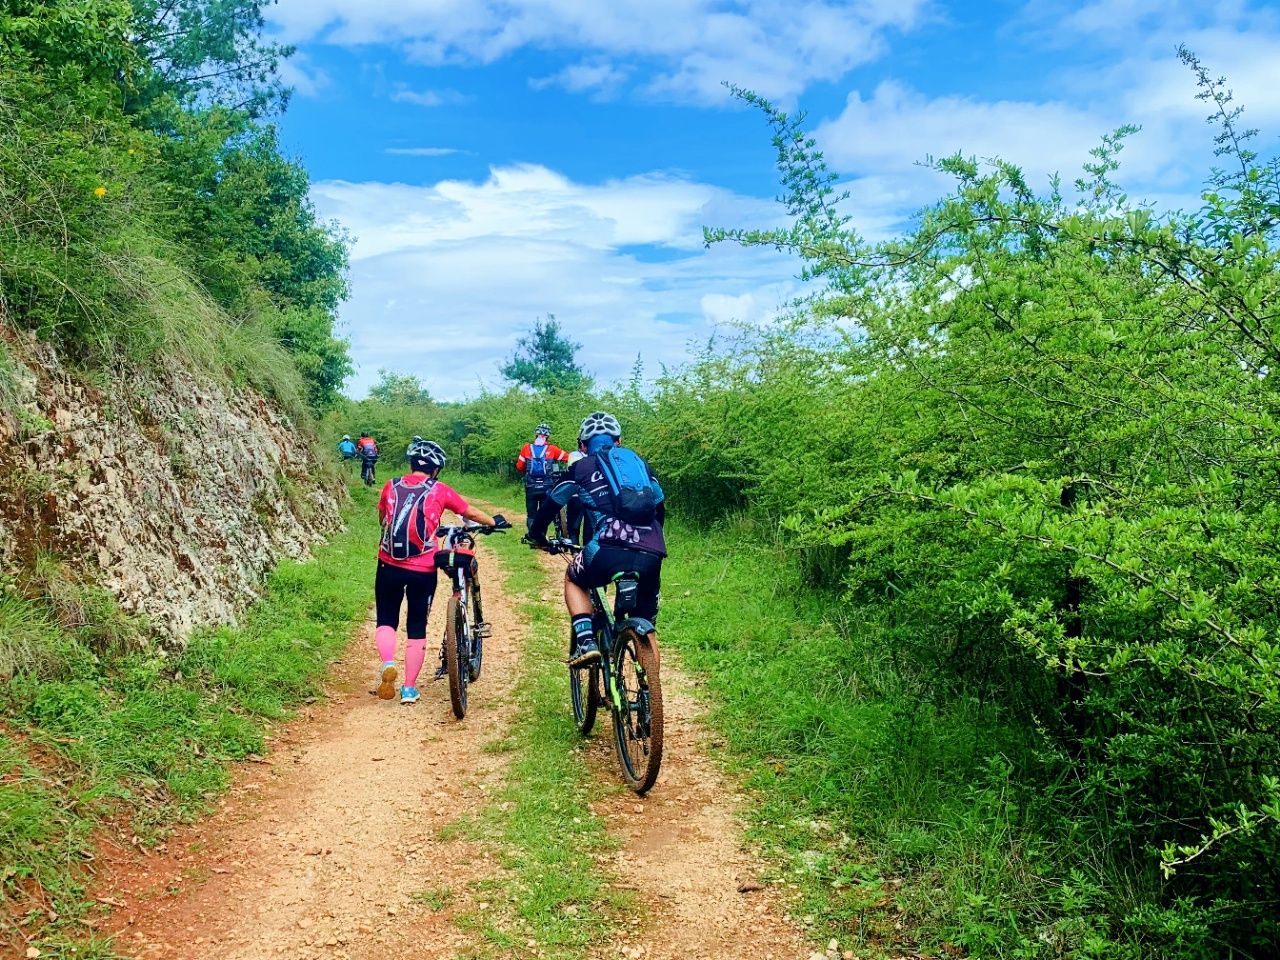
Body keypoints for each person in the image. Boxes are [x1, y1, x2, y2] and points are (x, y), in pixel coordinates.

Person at [525, 412, 665, 666]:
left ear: (582, 446)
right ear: (618, 441)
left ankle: (586, 641)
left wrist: (537, 535)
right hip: (651, 552)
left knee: (573, 577)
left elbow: (551, 505)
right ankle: (650, 684)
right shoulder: (639, 465)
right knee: (647, 625)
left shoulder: (580, 468)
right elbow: (659, 506)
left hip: (606, 550)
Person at [374, 438, 507, 705]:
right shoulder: (440, 490)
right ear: (436, 469)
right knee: (416, 626)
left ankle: (388, 663)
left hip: (388, 562)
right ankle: (409, 689)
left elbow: (383, 519)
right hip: (423, 568)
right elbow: (469, 512)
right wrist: (494, 521)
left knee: (386, 619)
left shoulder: (391, 485)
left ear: (411, 464)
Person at [514, 423, 569, 531]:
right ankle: (542, 535)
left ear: (536, 435)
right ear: (548, 436)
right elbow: (568, 458)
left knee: (531, 514)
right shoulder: (552, 449)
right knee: (544, 514)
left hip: (531, 486)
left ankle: (532, 536)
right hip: (547, 486)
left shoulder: (526, 448)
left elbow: (519, 467)